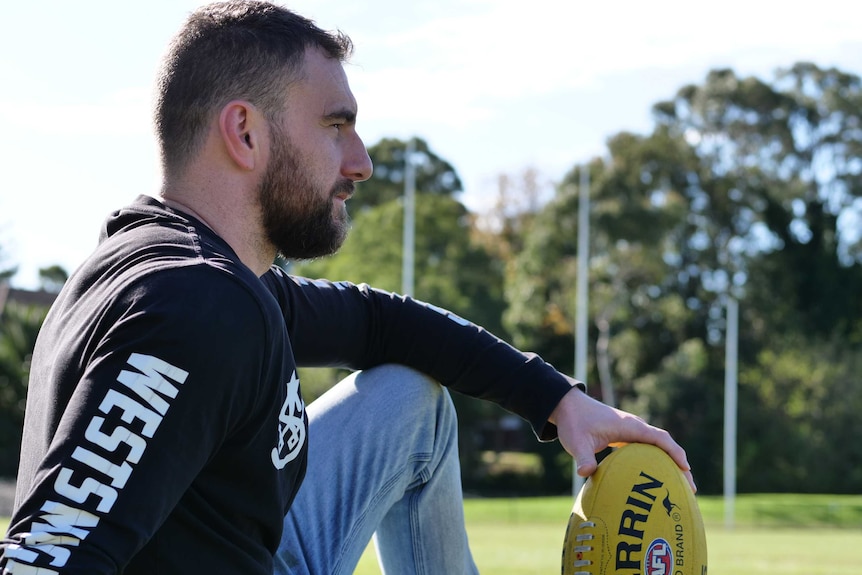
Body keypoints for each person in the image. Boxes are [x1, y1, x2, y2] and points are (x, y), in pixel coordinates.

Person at [0, 1, 694, 573]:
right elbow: (45, 558)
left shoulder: (204, 275)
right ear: (244, 132)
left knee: (413, 401)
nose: (360, 163)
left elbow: (379, 323)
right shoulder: (195, 306)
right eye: (336, 127)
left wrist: (558, 400)